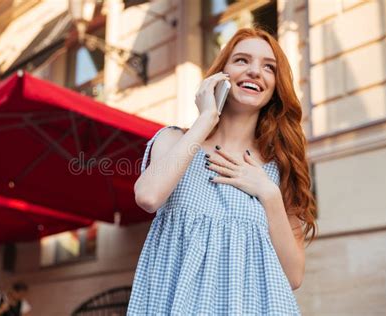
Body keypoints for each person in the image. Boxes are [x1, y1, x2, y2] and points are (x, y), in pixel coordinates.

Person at [128, 27, 317, 315]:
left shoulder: (280, 168)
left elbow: (293, 277)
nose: (255, 71)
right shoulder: (174, 141)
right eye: (242, 60)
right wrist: (205, 119)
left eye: (269, 67)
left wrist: (267, 192)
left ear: (275, 87)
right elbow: (148, 196)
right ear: (221, 74)